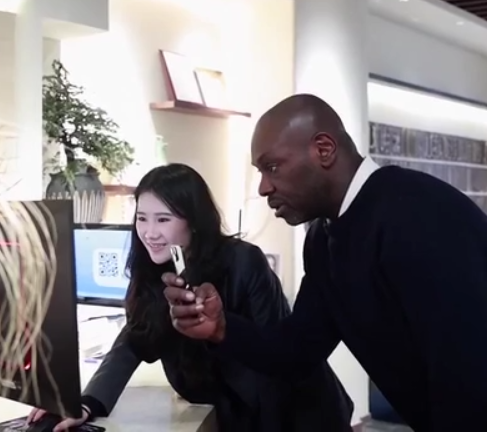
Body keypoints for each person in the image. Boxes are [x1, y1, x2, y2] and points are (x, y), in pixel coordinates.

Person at [163, 94, 487, 431]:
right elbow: (297, 350)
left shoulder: (414, 216)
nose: (263, 187)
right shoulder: (324, 239)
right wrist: (222, 328)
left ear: (324, 150)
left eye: (272, 167)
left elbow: (470, 382)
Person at [28, 163, 353, 432]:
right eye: (142, 218)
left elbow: (275, 362)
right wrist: (87, 403)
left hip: (296, 415)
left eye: (163, 219)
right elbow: (134, 339)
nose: (150, 232)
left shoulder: (243, 261)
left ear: (194, 222)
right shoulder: (152, 269)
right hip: (224, 413)